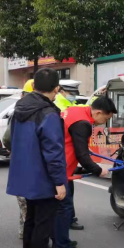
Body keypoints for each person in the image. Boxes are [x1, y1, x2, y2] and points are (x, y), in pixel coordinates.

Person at [7, 68, 67, 248]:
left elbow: (11, 139)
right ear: (56, 89)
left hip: (25, 173)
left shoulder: (20, 107)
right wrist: (59, 182)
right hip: (42, 177)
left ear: (33, 86)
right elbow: (53, 152)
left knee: (31, 221)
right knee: (42, 225)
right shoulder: (48, 113)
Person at [53, 97, 117, 248]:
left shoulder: (75, 110)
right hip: (61, 169)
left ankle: (58, 242)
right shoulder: (83, 124)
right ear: (98, 112)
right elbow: (82, 155)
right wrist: (98, 170)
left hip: (57, 166)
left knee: (58, 208)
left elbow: (74, 140)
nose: (104, 123)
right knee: (63, 209)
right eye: (106, 118)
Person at [3, 84, 33, 240]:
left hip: (19, 162)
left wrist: (13, 149)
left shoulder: (18, 112)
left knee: (23, 201)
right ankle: (30, 235)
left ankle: (23, 231)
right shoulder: (42, 112)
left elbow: (7, 138)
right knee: (31, 202)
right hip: (34, 163)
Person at [55, 80, 86, 231]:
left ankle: (69, 218)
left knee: (68, 190)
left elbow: (87, 107)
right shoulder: (59, 106)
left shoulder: (70, 104)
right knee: (63, 192)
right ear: (61, 92)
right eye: (70, 93)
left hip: (68, 157)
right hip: (61, 155)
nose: (73, 96)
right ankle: (62, 225)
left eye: (74, 93)